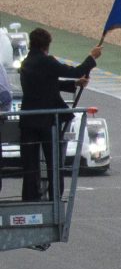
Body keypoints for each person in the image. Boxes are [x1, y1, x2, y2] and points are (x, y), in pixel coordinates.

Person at [13, 27, 100, 203]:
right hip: (47, 121)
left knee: (30, 167)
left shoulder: (26, 63)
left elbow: (45, 83)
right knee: (53, 164)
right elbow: (75, 70)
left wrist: (74, 84)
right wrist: (92, 58)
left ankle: (30, 199)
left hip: (28, 121)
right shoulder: (48, 62)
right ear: (47, 45)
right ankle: (54, 199)